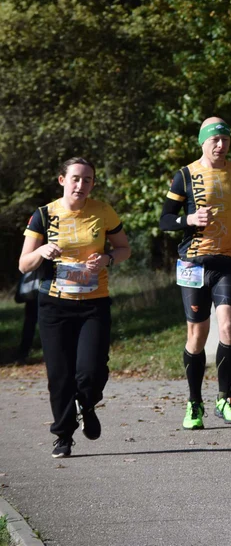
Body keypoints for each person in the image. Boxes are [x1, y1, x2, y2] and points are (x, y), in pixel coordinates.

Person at [18, 157, 131, 458]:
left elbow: (124, 248)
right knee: (60, 375)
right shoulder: (43, 215)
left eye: (88, 179)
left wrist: (108, 259)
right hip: (54, 306)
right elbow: (23, 264)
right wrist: (41, 250)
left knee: (91, 371)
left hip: (94, 303)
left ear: (93, 183)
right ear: (62, 180)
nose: (81, 185)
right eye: (76, 178)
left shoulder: (103, 211)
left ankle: (88, 401)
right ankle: (63, 436)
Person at [159, 117, 231, 430]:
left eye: (225, 140)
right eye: (214, 140)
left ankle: (224, 398)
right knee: (198, 335)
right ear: (203, 142)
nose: (220, 146)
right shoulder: (185, 175)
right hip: (193, 262)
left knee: (229, 328)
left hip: (228, 259)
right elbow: (165, 219)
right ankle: (194, 402)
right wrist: (188, 220)